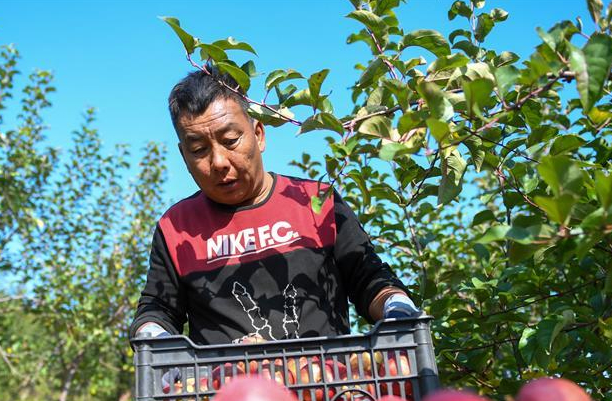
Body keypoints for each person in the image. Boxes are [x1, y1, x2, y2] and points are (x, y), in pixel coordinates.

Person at [130, 66, 419, 345]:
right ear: (184, 156)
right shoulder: (177, 227)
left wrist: (396, 306)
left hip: (326, 386)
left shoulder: (316, 201)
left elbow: (368, 278)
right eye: (198, 150)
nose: (218, 162)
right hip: (225, 391)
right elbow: (159, 309)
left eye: (230, 140)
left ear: (258, 134)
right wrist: (153, 334)